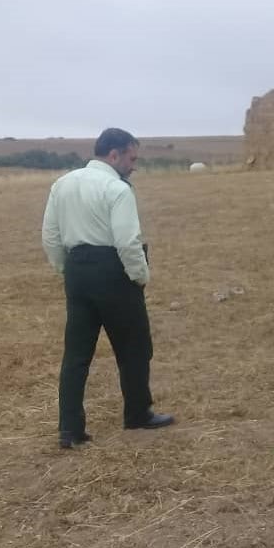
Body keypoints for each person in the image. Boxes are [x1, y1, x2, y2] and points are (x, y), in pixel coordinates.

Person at [42, 127, 174, 449]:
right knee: (135, 348)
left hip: (77, 271)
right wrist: (140, 276)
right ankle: (137, 414)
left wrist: (67, 268)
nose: (134, 165)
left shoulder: (62, 184)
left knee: (76, 356)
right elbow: (127, 242)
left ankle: (69, 429)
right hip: (113, 272)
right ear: (113, 155)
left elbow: (50, 236)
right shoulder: (117, 189)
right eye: (131, 158)